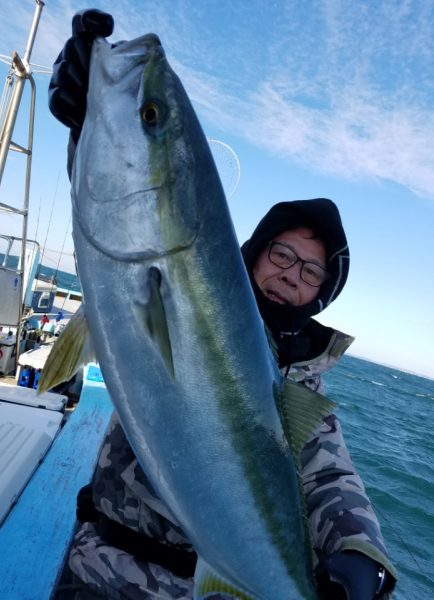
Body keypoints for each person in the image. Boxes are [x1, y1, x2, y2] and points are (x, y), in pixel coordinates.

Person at [50, 10, 397, 600]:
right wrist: (87, 122)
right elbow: (118, 207)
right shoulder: (170, 275)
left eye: (311, 271)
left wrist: (362, 557)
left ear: (319, 295)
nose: (291, 276)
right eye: (283, 255)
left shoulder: (305, 391)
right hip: (99, 569)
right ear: (254, 255)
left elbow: (333, 480)